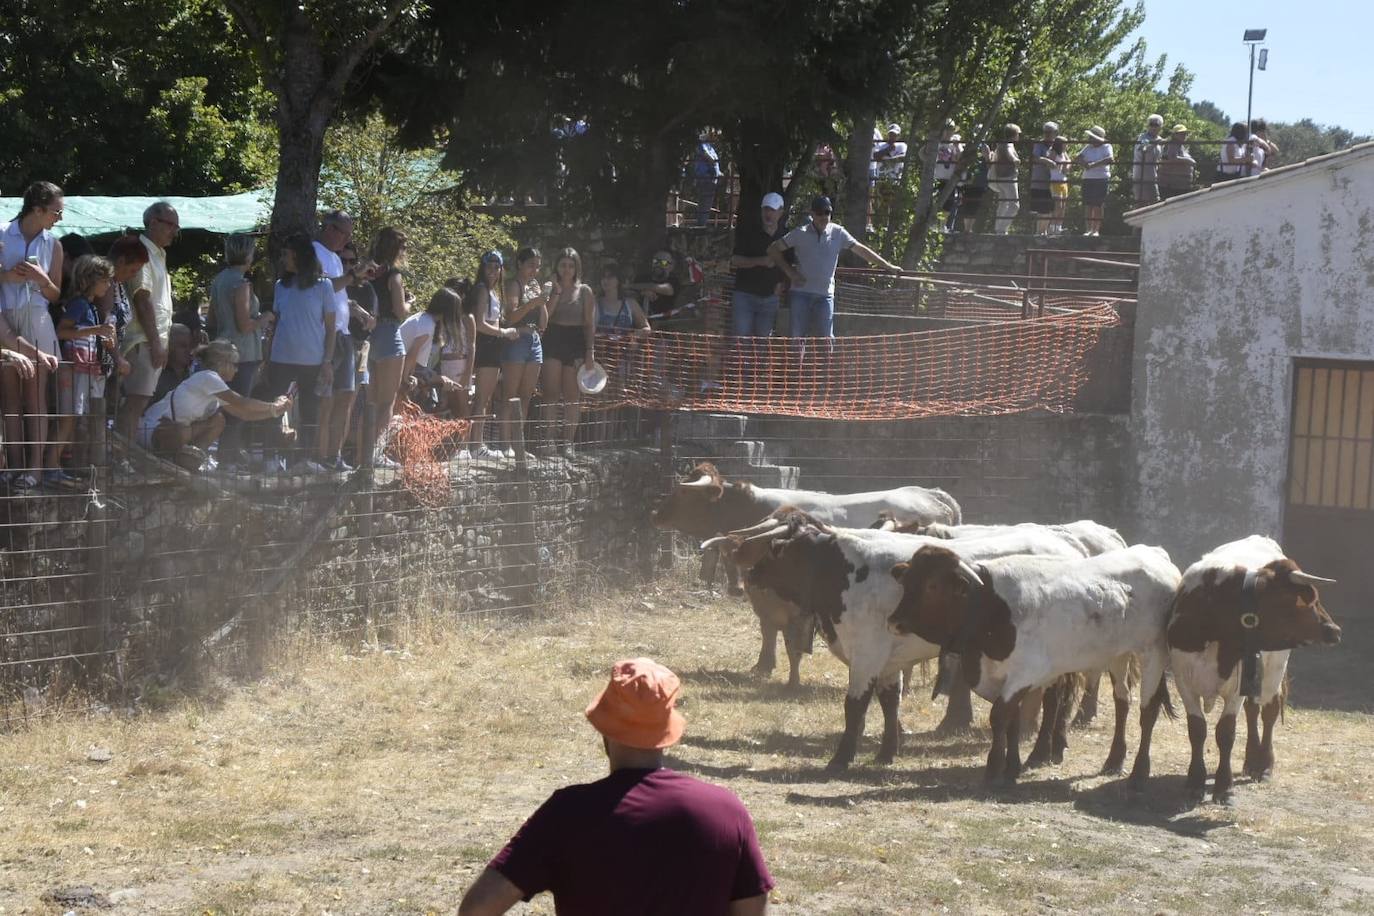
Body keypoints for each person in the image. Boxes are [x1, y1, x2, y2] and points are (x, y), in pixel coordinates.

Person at [457, 657, 773, 916]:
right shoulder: (726, 811)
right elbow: (752, 909)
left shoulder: (568, 814)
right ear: (668, 731)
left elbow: (478, 909)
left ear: (604, 729)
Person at [0, 182, 65, 488]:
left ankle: (35, 470)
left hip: (38, 318)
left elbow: (55, 294)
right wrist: (7, 276)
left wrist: (40, 279)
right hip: (5, 316)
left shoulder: (54, 244)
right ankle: (13, 468)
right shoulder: (2, 233)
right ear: (37, 209)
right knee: (11, 397)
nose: (59, 218)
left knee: (36, 399)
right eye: (56, 211)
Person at [137, 340, 290, 468]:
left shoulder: (216, 386)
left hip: (173, 433)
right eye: (235, 364)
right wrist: (273, 405)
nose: (237, 370)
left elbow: (244, 413)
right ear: (221, 363)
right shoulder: (208, 377)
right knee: (182, 431)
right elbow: (241, 402)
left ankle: (192, 460)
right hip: (154, 431)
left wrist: (274, 412)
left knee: (218, 421)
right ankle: (177, 460)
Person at [767, 196, 900, 340]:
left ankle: (827, 363)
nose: (824, 216)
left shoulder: (839, 233)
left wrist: (888, 266)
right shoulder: (800, 233)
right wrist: (790, 272)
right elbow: (772, 249)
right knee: (797, 337)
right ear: (812, 214)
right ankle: (797, 363)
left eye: (827, 212)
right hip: (801, 294)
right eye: (819, 213)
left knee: (827, 339)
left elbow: (861, 250)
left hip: (825, 296)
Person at [261, 232, 338, 472]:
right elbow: (275, 324)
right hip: (280, 358)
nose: (282, 258)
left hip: (312, 360)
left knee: (309, 412)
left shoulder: (324, 286)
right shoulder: (280, 286)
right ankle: (271, 459)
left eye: (287, 254)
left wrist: (327, 361)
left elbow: (331, 327)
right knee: (274, 409)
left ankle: (305, 460)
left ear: (300, 256)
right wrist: (266, 358)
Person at [48, 254, 117, 488]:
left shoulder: (91, 307)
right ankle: (51, 466)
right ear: (90, 279)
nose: (108, 286)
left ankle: (67, 464)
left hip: (87, 368)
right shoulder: (78, 304)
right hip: (74, 367)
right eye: (105, 280)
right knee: (69, 418)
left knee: (78, 418)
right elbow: (62, 332)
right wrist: (95, 330)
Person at [314, 211, 375, 471]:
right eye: (343, 232)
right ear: (328, 228)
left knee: (346, 396)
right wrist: (353, 277)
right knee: (325, 401)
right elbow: (322, 288)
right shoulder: (314, 251)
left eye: (350, 233)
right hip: (324, 336)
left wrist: (357, 308)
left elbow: (338, 297)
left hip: (344, 336)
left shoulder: (336, 259)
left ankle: (334, 457)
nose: (346, 238)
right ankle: (318, 456)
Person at [209, 233, 273, 471]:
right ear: (248, 254)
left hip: (223, 349)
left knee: (226, 404)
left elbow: (212, 318)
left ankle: (230, 454)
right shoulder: (242, 284)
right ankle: (229, 459)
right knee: (240, 406)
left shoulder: (219, 281)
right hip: (243, 354)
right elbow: (245, 324)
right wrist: (264, 318)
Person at [117, 201, 179, 446]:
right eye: (170, 225)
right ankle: (123, 460)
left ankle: (126, 458)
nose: (174, 231)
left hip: (149, 341)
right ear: (153, 223)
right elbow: (142, 298)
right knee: (134, 403)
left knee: (137, 403)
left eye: (177, 227)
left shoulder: (157, 253)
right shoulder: (141, 252)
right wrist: (155, 343)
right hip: (141, 341)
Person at [539, 248, 596, 459]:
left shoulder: (585, 291)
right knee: (551, 393)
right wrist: (556, 290)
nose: (566, 269)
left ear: (576, 268)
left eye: (571, 266)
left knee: (572, 396)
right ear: (557, 266)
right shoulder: (550, 288)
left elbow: (589, 324)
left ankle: (568, 443)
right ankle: (549, 440)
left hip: (576, 342)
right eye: (563, 265)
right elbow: (545, 315)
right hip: (553, 339)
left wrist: (590, 351)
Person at [364, 226, 409, 469]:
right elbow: (400, 312)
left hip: (369, 336)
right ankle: (377, 452)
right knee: (387, 401)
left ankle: (365, 451)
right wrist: (410, 303)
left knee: (371, 400)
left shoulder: (368, 271)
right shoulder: (395, 276)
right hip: (390, 334)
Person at [468, 250, 518, 461]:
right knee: (481, 398)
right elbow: (479, 323)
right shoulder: (481, 290)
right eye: (489, 266)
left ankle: (476, 444)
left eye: (497, 267)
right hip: (486, 346)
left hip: (493, 347)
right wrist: (504, 333)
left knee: (484, 398)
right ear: (483, 267)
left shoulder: (493, 293)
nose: (493, 271)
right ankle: (476, 445)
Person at [500, 248, 548, 458]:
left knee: (526, 396)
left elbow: (544, 323)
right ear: (520, 263)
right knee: (510, 395)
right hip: (517, 339)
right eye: (531, 265)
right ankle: (505, 444)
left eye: (538, 266)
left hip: (535, 340)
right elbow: (510, 317)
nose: (534, 270)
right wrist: (532, 303)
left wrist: (542, 300)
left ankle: (519, 445)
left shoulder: (533, 287)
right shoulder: (514, 285)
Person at [729, 192, 788, 338]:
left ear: (781, 212)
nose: (768, 214)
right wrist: (760, 261)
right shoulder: (748, 233)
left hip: (770, 298)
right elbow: (734, 260)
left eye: (772, 210)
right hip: (744, 296)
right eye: (766, 209)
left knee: (762, 343)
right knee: (741, 340)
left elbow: (791, 266)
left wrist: (784, 284)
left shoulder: (787, 238)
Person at [1072, 126, 1114, 236]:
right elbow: (1077, 157)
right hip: (1088, 178)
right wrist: (1085, 164)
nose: (1090, 139)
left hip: (1101, 178)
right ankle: (1088, 229)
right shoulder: (1088, 147)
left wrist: (1094, 165)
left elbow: (1109, 159)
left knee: (1098, 205)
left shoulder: (1106, 146)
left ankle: (1096, 230)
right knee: (1088, 205)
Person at [149, 323, 195, 406]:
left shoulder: (195, 374)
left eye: (190, 346)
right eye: (183, 346)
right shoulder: (155, 376)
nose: (189, 351)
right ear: (169, 347)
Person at [988, 123, 1021, 235]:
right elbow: (1009, 153)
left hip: (1000, 177)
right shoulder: (1008, 145)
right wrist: (1015, 160)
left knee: (1003, 203)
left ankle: (998, 228)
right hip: (1008, 178)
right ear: (1015, 134)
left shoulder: (1001, 144)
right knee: (1014, 205)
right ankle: (1001, 229)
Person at [931, 121, 963, 232]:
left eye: (951, 130)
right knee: (937, 202)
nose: (949, 132)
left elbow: (960, 159)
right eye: (948, 129)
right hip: (937, 177)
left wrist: (957, 146)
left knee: (948, 203)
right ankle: (934, 224)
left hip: (950, 179)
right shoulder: (936, 143)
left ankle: (942, 226)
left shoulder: (955, 144)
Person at [1029, 122, 1059, 236]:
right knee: (1041, 209)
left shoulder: (1058, 145)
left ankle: (1044, 231)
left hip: (1053, 182)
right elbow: (1035, 157)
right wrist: (1047, 161)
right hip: (1039, 181)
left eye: (1049, 132)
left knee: (1050, 209)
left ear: (1055, 133)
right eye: (1045, 132)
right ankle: (1040, 232)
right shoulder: (1039, 144)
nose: (1046, 134)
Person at [957, 132, 990, 233]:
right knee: (968, 204)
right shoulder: (969, 146)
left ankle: (969, 228)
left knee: (975, 205)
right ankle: (967, 228)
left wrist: (986, 155)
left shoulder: (984, 146)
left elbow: (988, 162)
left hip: (979, 182)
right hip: (969, 181)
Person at [691, 131, 723, 227]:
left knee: (707, 203)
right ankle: (701, 225)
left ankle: (702, 224)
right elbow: (707, 156)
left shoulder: (710, 147)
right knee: (704, 202)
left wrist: (719, 173)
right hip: (706, 177)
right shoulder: (702, 145)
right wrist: (713, 163)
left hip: (712, 179)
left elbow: (714, 162)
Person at [1132, 114, 1165, 206]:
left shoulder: (1160, 140)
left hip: (1152, 176)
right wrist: (1155, 143)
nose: (1153, 127)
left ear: (1160, 127)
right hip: (1140, 175)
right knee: (1141, 204)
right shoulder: (1144, 137)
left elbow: (1159, 158)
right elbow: (1143, 149)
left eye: (1156, 125)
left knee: (1155, 202)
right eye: (1151, 124)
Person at [1158, 124, 1196, 200]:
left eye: (1185, 134)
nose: (1184, 135)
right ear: (1175, 135)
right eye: (1181, 134)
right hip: (1172, 185)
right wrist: (1189, 160)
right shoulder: (1173, 144)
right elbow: (1172, 158)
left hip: (1179, 184)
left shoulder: (1180, 145)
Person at [1047, 137, 1071, 234]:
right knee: (1058, 205)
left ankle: (1059, 227)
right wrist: (1061, 164)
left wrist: (1066, 165)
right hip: (1055, 180)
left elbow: (1069, 161)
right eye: (1065, 143)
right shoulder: (1053, 152)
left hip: (1063, 180)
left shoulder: (1064, 153)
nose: (1066, 145)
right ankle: (1052, 227)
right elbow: (1051, 165)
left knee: (1063, 206)